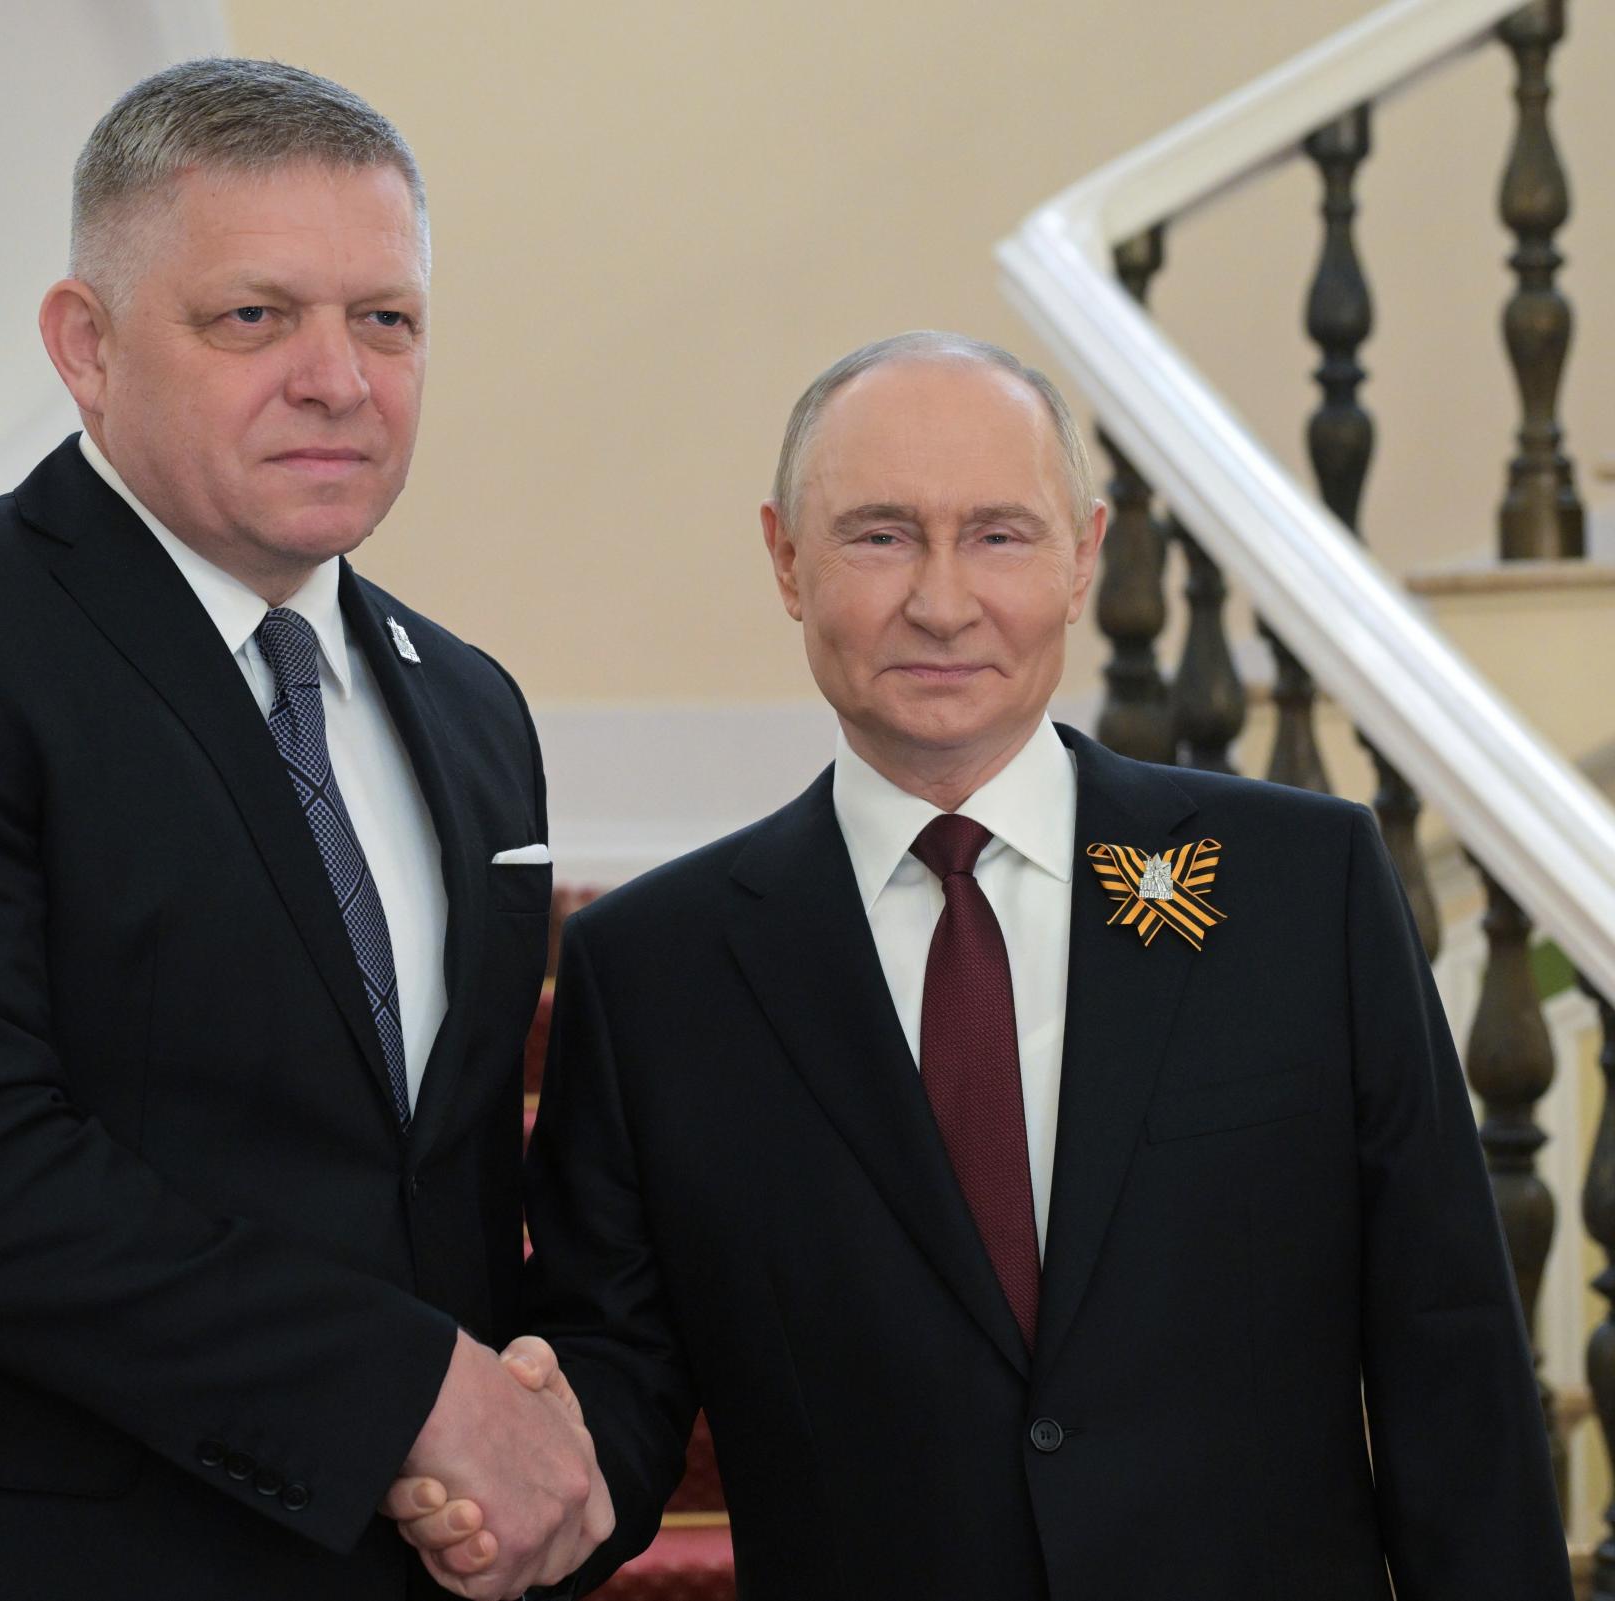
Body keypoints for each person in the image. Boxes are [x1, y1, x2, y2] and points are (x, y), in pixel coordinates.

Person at [392, 332, 1572, 1598]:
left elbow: (1447, 1355)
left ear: (1083, 557)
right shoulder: (650, 972)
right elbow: (621, 1380)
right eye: (879, 535)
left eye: (999, 535)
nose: (942, 602)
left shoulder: (1300, 887)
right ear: (785, 560)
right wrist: (535, 1485)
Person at [0, 58, 609, 1601]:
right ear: (87, 344)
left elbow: (443, 1186)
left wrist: (533, 1435)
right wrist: (412, 1394)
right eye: (254, 316)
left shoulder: (471, 704)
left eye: (385, 319)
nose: (339, 378)